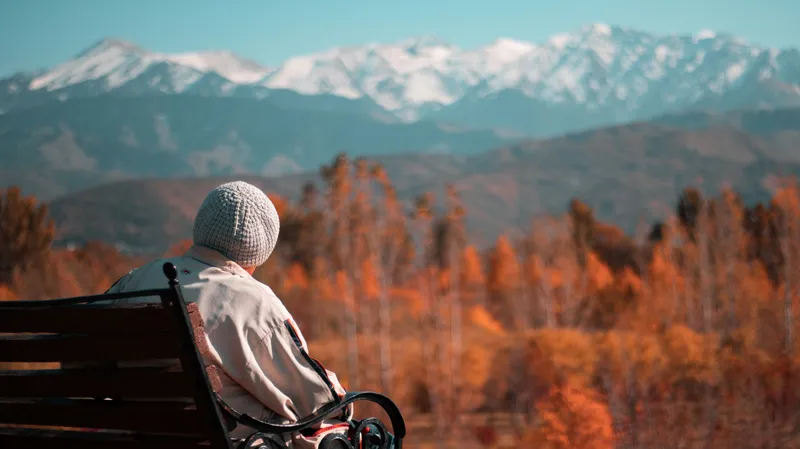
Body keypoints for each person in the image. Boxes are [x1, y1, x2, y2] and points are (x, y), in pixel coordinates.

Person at [105, 181, 361, 449]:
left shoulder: (135, 279)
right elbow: (316, 403)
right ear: (262, 246)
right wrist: (341, 399)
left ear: (202, 223)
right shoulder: (253, 303)